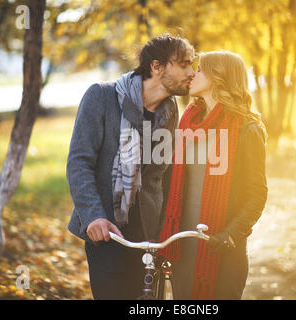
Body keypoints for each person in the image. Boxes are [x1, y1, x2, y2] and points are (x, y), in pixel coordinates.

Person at [66, 35, 195, 300]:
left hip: (150, 237)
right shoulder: (101, 96)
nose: (192, 72)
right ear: (157, 66)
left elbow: (165, 173)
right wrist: (93, 216)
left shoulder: (170, 109)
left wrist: (168, 227)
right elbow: (79, 162)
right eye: (184, 64)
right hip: (107, 232)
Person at [158, 51, 268, 300]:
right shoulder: (187, 123)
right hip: (182, 244)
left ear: (219, 77)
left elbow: (257, 194)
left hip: (221, 248)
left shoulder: (247, 129)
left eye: (201, 69)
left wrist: (229, 234)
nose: (193, 74)